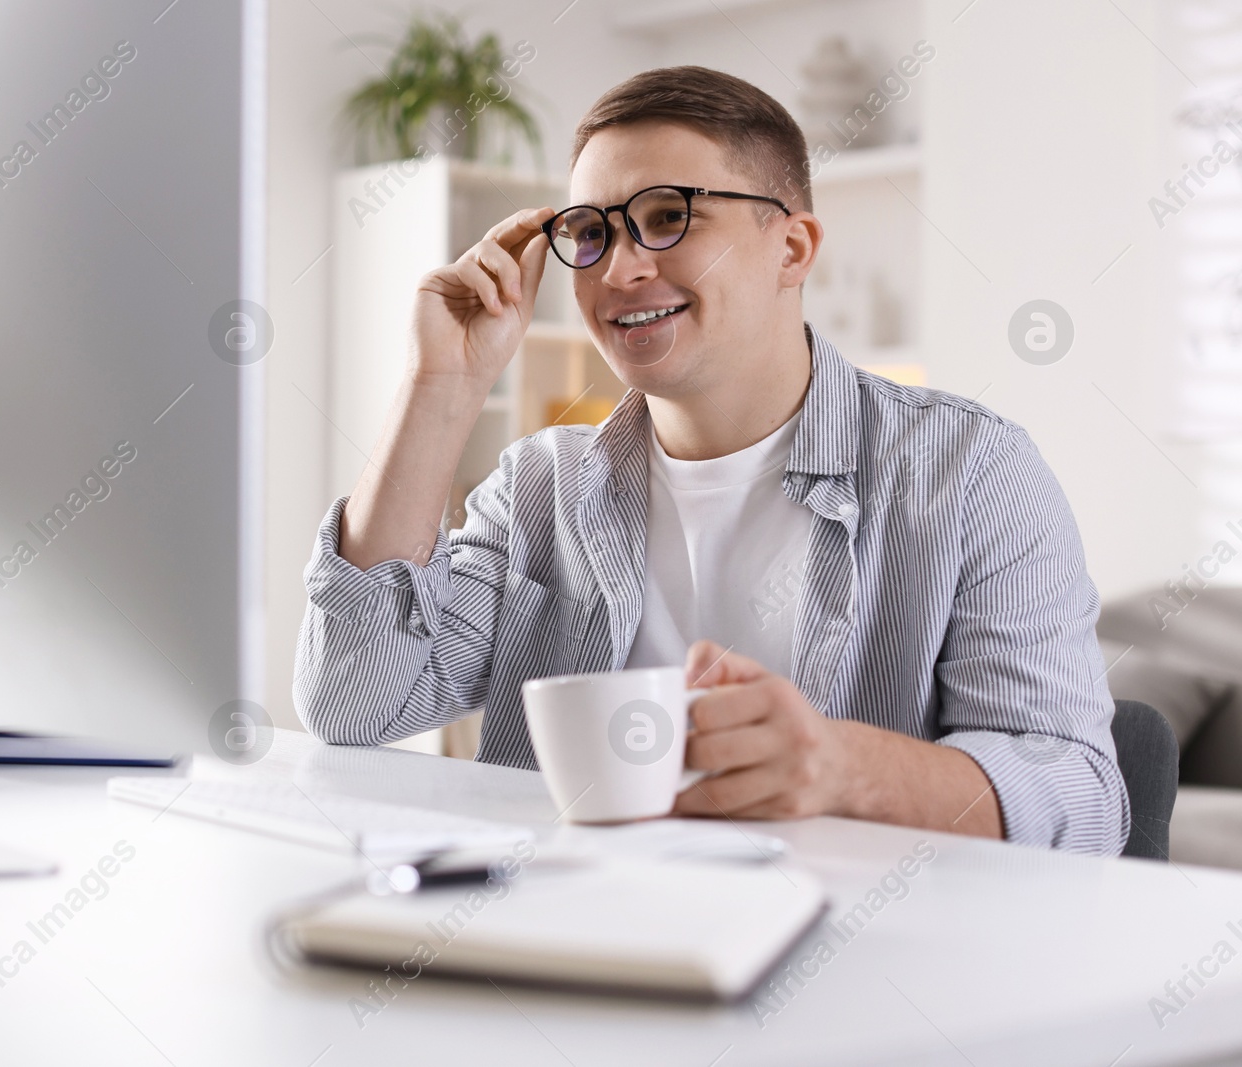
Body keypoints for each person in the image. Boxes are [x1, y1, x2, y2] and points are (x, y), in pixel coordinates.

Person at [294, 65, 1129, 854]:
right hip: (569, 949)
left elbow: (1083, 800)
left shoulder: (972, 474)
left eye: (669, 216)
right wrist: (440, 384)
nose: (622, 267)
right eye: (591, 231)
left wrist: (840, 769)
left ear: (793, 249)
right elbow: (352, 698)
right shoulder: (539, 489)